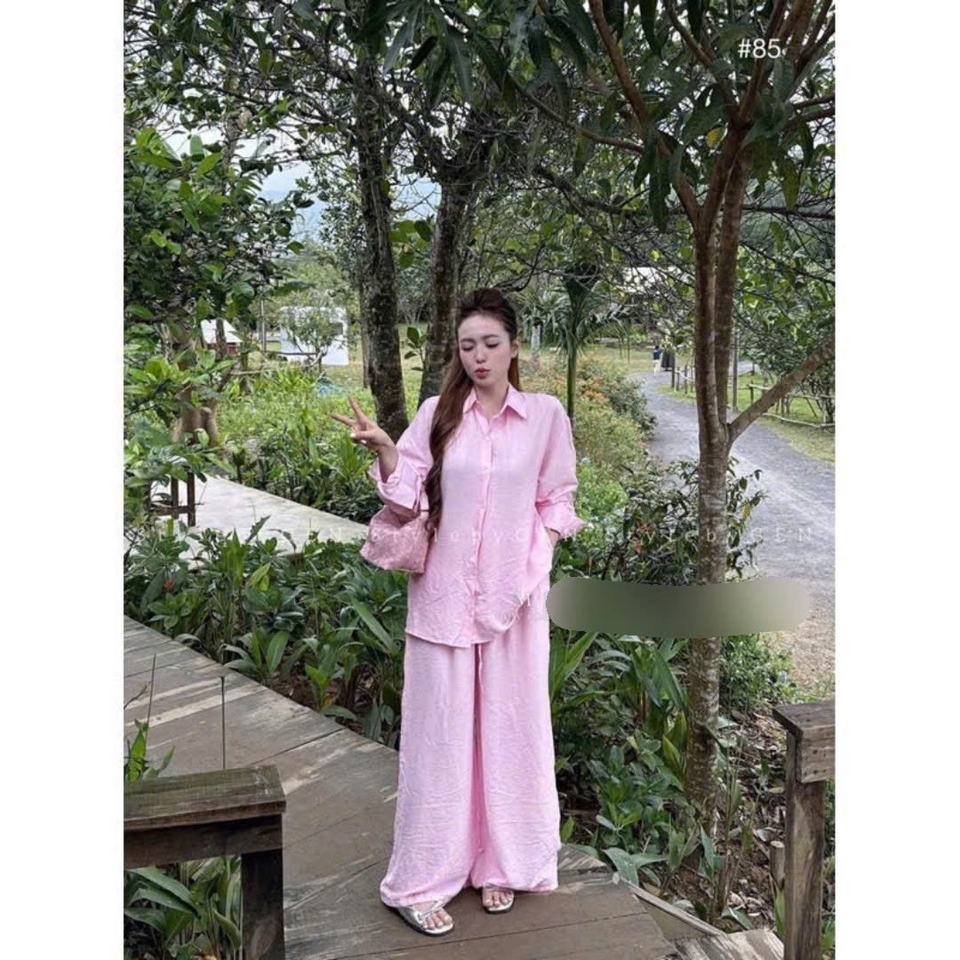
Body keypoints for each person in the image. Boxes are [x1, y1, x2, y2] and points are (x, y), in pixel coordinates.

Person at [330, 288, 586, 936]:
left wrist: (533, 561)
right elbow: (408, 497)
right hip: (444, 599)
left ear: (515, 346)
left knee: (512, 731)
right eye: (468, 345)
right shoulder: (438, 414)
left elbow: (557, 499)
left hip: (515, 601)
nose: (479, 356)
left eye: (491, 343)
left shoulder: (546, 416)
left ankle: (500, 861)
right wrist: (385, 448)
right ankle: (419, 880)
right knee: (440, 740)